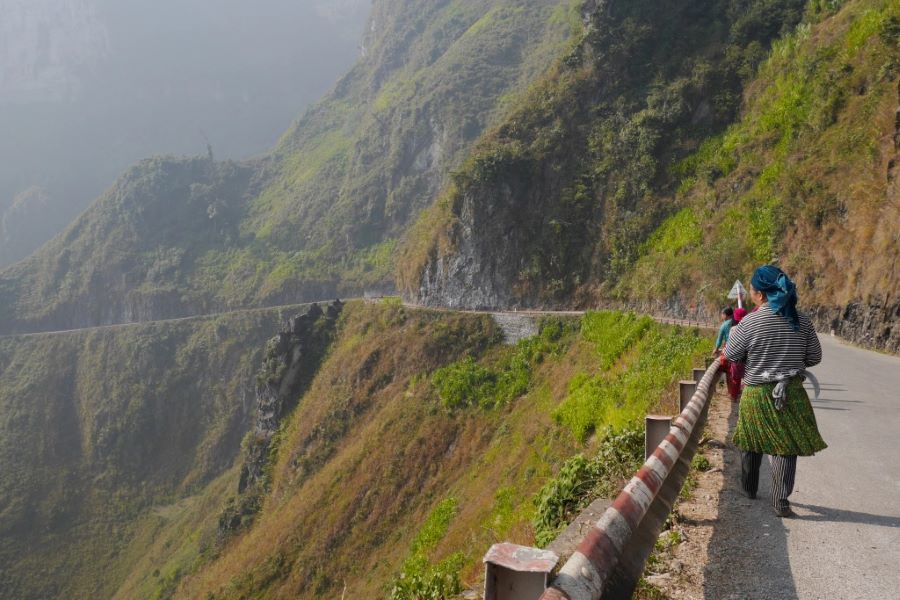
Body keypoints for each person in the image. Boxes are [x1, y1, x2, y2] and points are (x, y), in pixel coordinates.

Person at [724, 265, 826, 518]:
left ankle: (749, 488)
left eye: (752, 290)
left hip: (757, 391)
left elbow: (732, 354)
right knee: (785, 446)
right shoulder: (801, 320)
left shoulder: (750, 322)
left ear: (760, 295)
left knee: (751, 441)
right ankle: (780, 500)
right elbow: (814, 356)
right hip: (790, 391)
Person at [723, 307, 748, 400]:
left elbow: (730, 344)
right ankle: (746, 396)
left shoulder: (733, 329)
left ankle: (734, 396)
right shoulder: (750, 327)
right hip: (748, 359)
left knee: (736, 379)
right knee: (746, 379)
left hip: (736, 359)